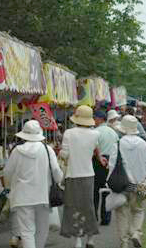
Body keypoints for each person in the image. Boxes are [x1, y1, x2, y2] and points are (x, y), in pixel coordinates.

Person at [4, 120, 63, 248]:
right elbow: (56, 172)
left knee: (26, 232)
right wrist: (58, 181)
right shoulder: (47, 150)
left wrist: (10, 185)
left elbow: (7, 173)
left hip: (22, 197)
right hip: (43, 196)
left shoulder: (17, 151)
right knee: (42, 230)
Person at [59, 106, 107, 248]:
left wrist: (59, 152)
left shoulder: (68, 133)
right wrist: (100, 157)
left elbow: (65, 154)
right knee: (88, 206)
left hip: (72, 175)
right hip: (88, 175)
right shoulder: (95, 134)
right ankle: (90, 239)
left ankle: (78, 240)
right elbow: (95, 148)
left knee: (73, 207)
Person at [109, 115, 146, 248]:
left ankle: (124, 242)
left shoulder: (118, 143)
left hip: (122, 185)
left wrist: (109, 182)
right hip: (139, 184)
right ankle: (136, 232)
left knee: (121, 213)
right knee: (138, 210)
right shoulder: (143, 144)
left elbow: (112, 165)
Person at [92, 109, 118, 225]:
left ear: (100, 119)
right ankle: (106, 218)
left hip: (98, 161)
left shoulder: (95, 132)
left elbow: (93, 149)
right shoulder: (113, 132)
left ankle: (94, 216)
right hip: (111, 162)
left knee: (95, 190)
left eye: (95, 118)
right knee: (107, 190)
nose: (93, 120)